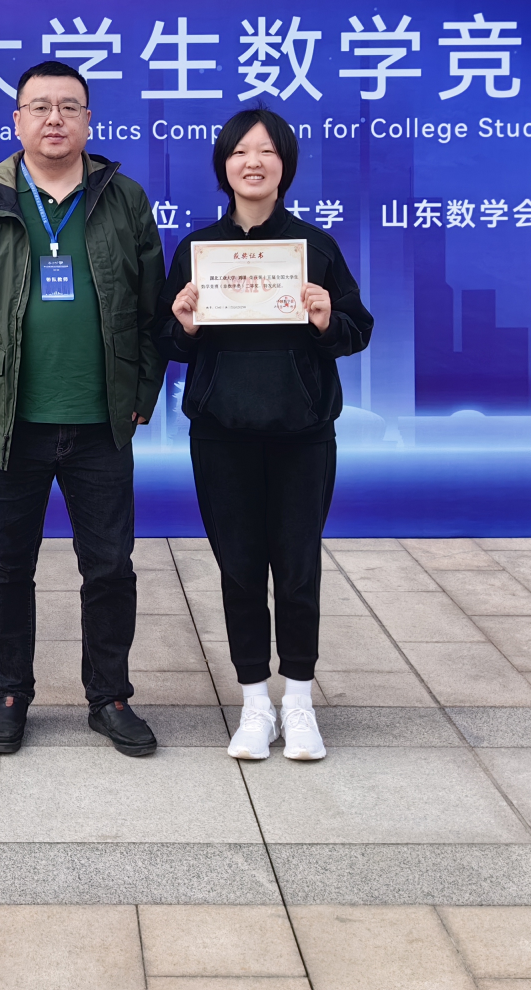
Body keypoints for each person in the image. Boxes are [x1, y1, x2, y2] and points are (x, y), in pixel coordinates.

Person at [0, 60, 167, 758]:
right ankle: (10, 694)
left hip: (101, 422)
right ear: (18, 120)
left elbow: (152, 309)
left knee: (110, 567)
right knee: (8, 567)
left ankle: (110, 696)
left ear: (89, 120)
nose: (54, 119)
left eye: (69, 106)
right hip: (10, 422)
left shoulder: (123, 198)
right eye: (39, 107)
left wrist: (142, 397)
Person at [162, 108, 371, 763]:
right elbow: (166, 341)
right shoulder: (197, 250)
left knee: (299, 567)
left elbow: (358, 330)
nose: (253, 162)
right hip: (221, 436)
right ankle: (256, 703)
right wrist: (185, 324)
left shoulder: (315, 247)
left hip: (302, 436)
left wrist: (326, 319)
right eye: (240, 152)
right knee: (240, 569)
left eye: (267, 151)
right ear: (223, 166)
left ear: (286, 165)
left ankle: (300, 702)